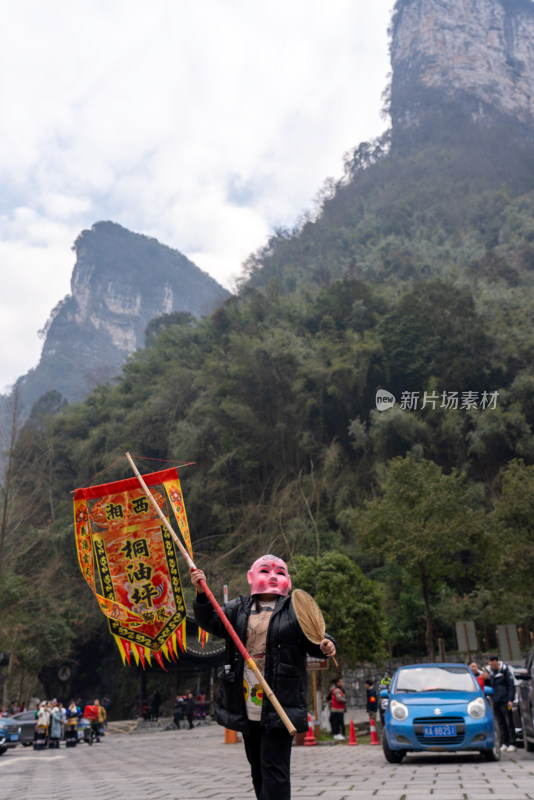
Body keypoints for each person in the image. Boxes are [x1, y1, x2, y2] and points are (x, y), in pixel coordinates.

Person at [191, 554, 336, 800]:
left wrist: (326, 644)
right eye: (265, 571)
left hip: (280, 702)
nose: (272, 577)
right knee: (258, 769)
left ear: (288, 580)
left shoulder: (294, 610)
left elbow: (316, 638)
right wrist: (201, 594)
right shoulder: (238, 608)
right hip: (248, 702)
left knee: (274, 769)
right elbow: (212, 621)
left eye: (280, 572)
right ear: (251, 577)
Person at [486, 654, 516, 752]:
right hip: (495, 701)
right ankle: (504, 743)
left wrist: (510, 700)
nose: (490, 665)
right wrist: (486, 679)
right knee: (500, 723)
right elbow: (488, 686)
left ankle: (512, 743)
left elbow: (511, 686)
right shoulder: (489, 673)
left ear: (496, 662)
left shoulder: (505, 671)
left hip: (505, 701)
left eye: (492, 662)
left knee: (509, 722)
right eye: (489, 662)